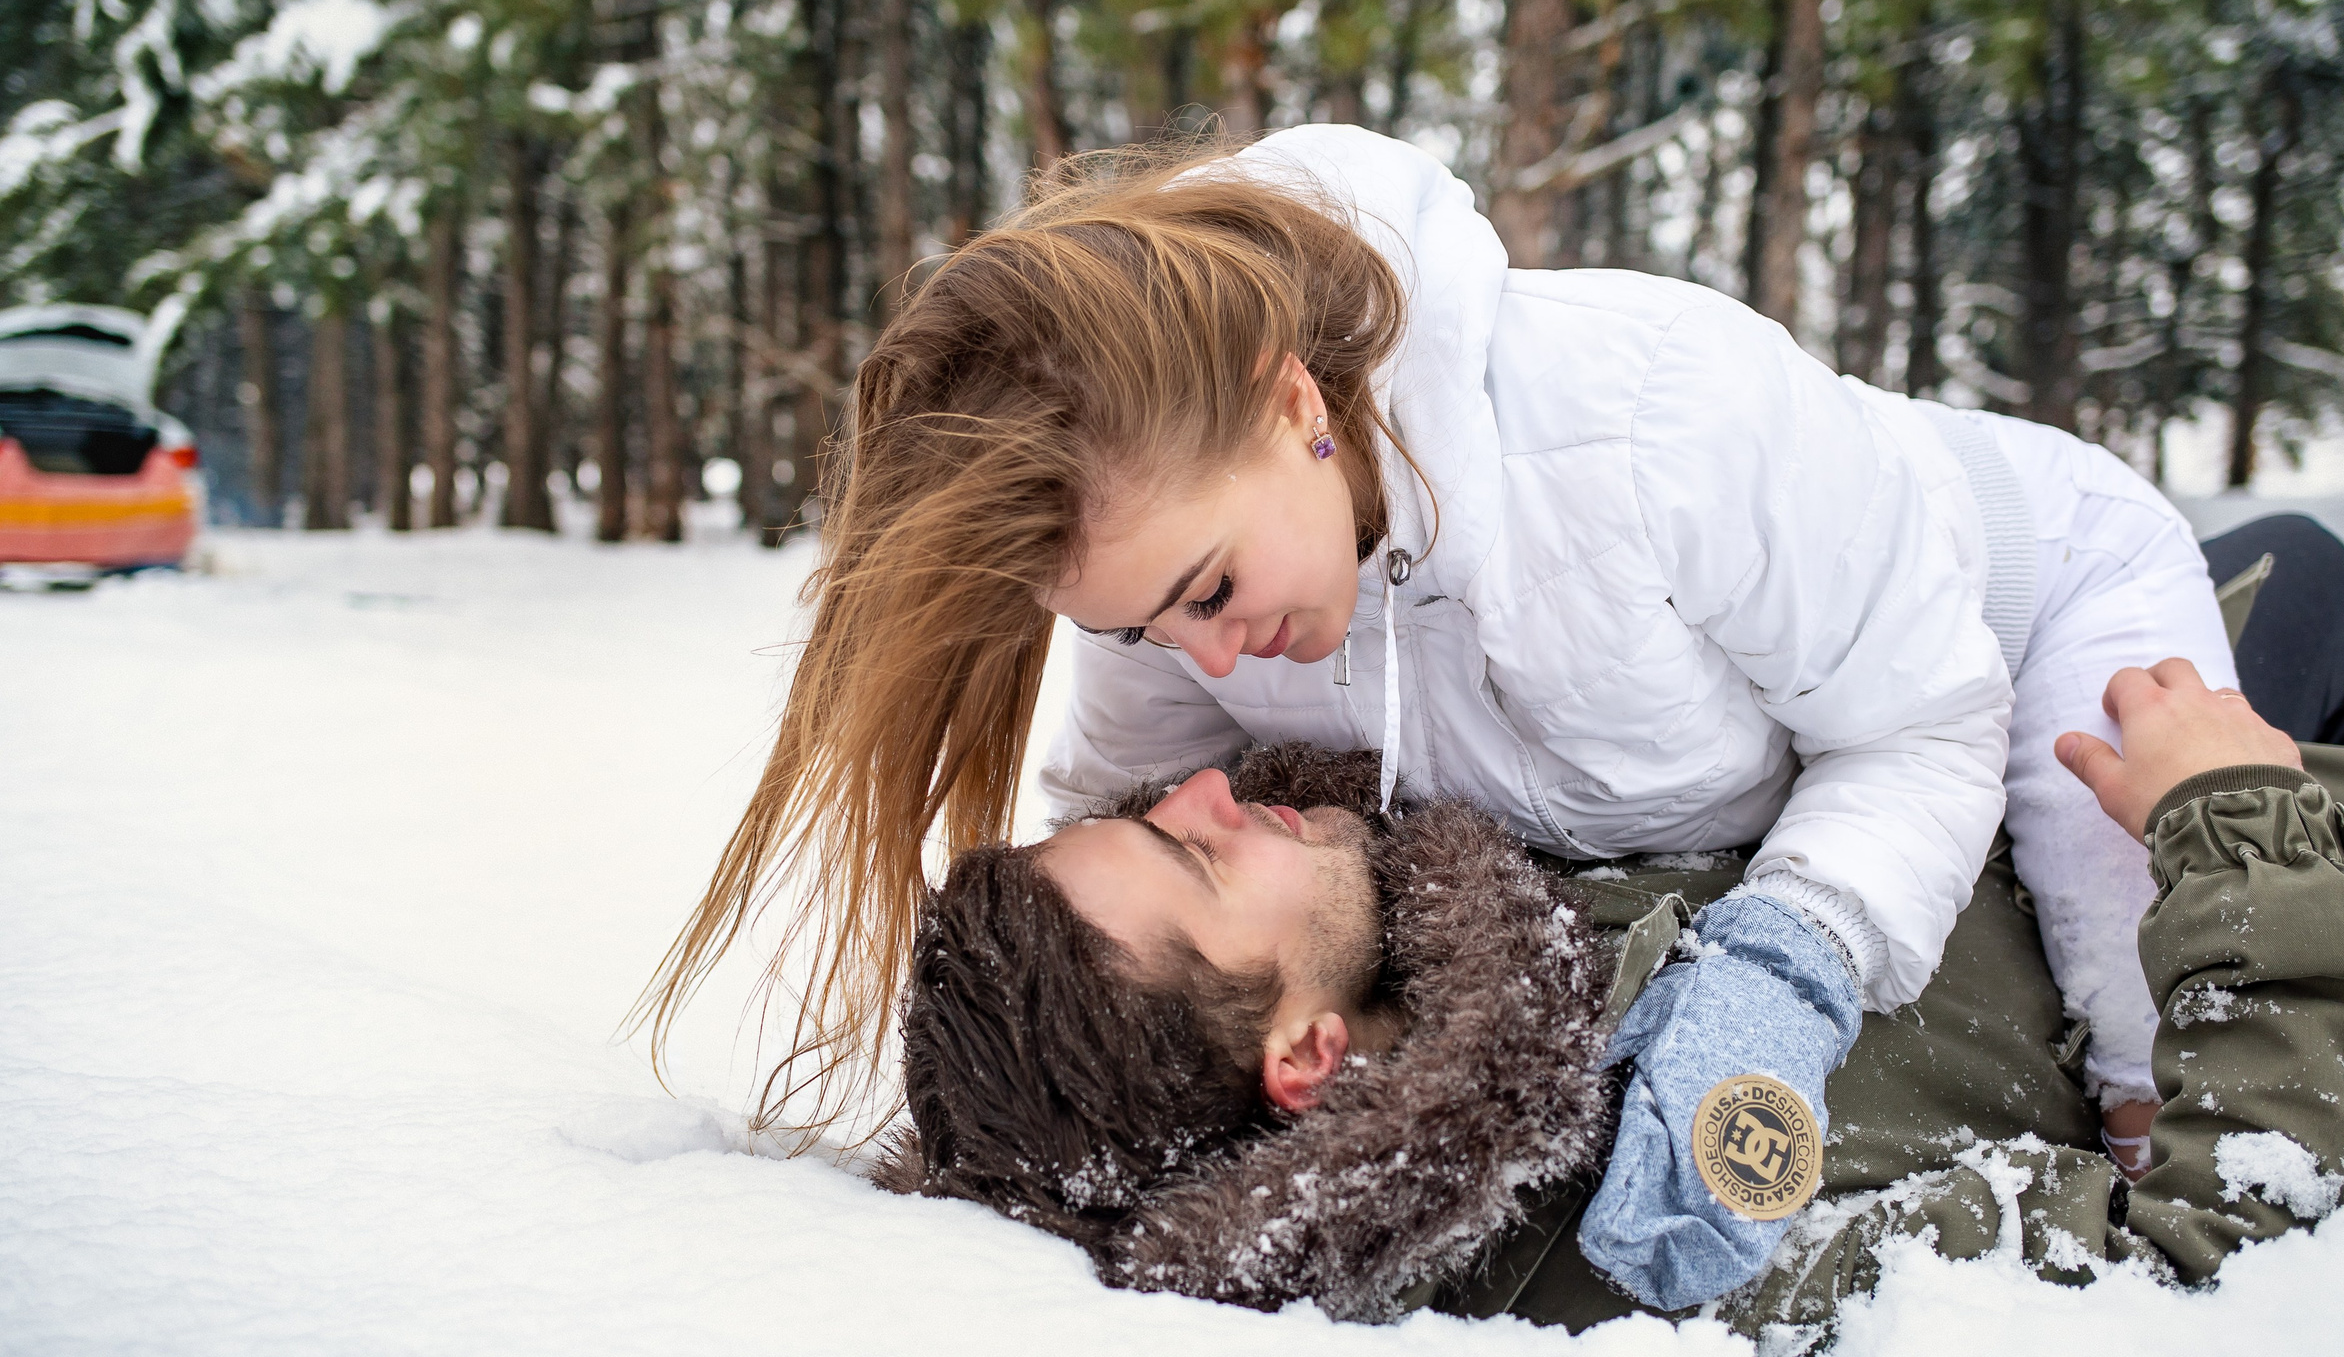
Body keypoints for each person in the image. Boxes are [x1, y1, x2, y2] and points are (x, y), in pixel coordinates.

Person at [644, 124, 2236, 1227]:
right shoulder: (1179, 586)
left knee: (2136, 1055)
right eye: (1139, 630)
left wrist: (1791, 957)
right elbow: (1118, 836)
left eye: (1205, 591)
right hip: (1801, 711)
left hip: (2036, 606)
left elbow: (1921, 724)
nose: (1198, 669)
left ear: (1291, 404)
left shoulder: (1652, 428)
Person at [882, 671, 2344, 1335]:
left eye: (1148, 811)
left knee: (2307, 575)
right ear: (1308, 1061)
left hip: (2042, 766)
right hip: (2253, 891)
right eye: (1189, 859)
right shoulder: (1664, 1230)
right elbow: (2223, 1243)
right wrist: (2241, 831)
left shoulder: (1428, 922)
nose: (1206, 788)